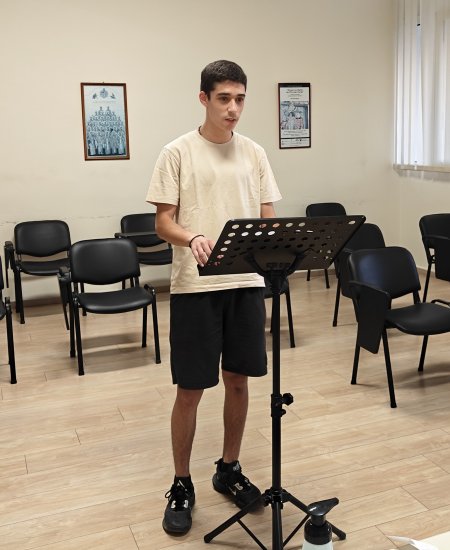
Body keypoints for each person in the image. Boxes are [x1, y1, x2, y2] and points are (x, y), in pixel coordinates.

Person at [146, 59, 282, 535]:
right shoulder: (177, 152)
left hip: (245, 284)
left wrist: (271, 242)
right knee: (190, 390)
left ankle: (228, 467)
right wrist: (193, 237)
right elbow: (163, 223)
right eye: (224, 98)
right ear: (204, 98)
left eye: (240, 99)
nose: (233, 108)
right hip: (196, 286)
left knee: (238, 382)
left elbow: (266, 217)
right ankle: (181, 482)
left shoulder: (255, 153)